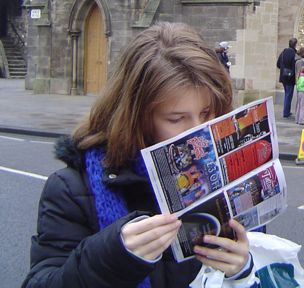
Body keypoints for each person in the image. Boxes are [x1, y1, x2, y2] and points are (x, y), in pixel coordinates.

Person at [23, 22, 253, 288]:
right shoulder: (70, 188)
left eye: (206, 113)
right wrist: (112, 258)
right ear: (137, 117)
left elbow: (259, 260)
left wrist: (242, 270)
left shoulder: (229, 176)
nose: (198, 133)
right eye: (177, 118)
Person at [276, 38, 297, 118]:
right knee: (288, 95)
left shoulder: (283, 52)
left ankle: (287, 111)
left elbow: (278, 64)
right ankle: (286, 112)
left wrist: (283, 69)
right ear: (295, 44)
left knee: (287, 94)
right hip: (290, 78)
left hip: (283, 77)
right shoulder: (294, 54)